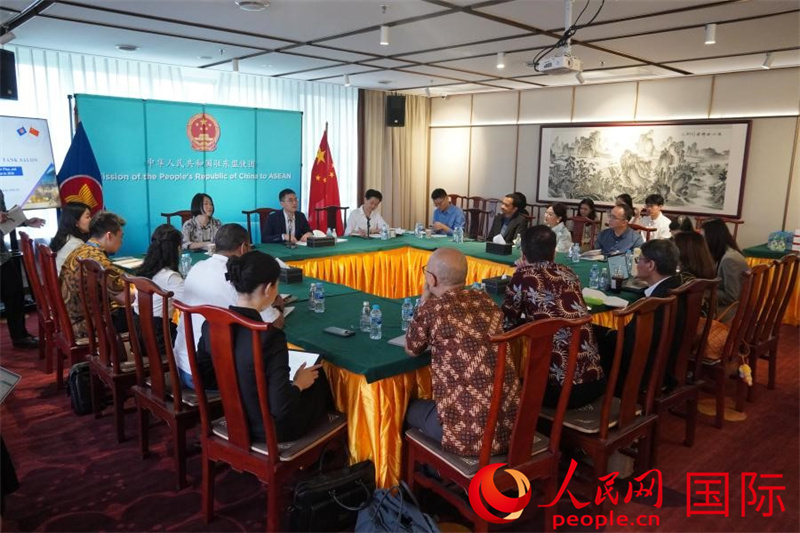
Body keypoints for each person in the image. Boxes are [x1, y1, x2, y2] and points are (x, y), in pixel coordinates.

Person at [195, 251, 332, 442]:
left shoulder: (210, 325)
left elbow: (204, 376)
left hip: (233, 418)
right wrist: (298, 384)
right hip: (269, 430)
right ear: (269, 288)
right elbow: (281, 408)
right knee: (318, 380)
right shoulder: (270, 337)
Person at [405, 248, 520, 456]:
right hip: (511, 428)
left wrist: (424, 299)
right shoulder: (486, 300)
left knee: (406, 409)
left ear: (431, 278)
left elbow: (412, 349)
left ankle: (431, 469)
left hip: (469, 436)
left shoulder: (432, 309)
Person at [502, 225, 605, 408]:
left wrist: (521, 274)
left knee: (507, 384)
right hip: (595, 382)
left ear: (523, 254)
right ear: (554, 252)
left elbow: (507, 323)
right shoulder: (569, 272)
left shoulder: (523, 276)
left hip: (559, 391)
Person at [173, 223, 283, 390]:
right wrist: (278, 307)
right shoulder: (238, 279)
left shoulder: (197, 266)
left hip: (182, 364)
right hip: (210, 376)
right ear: (244, 248)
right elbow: (273, 324)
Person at [595, 239, 683, 389]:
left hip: (642, 371)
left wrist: (606, 333)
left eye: (639, 260)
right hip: (666, 364)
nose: (637, 264)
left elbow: (632, 344)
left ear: (651, 265)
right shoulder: (676, 286)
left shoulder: (655, 303)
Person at [59, 211, 128, 337]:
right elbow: (125, 298)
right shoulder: (98, 261)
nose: (121, 242)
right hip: (86, 324)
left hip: (69, 318)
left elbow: (115, 273)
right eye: (120, 237)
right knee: (146, 314)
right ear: (109, 236)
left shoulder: (83, 249)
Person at [0, 189, 46, 349]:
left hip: (1, 255)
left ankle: (20, 337)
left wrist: (25, 221)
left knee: (15, 294)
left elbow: (5, 220)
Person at [134, 224, 184, 349]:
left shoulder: (145, 269)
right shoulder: (170, 277)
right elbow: (192, 303)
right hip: (159, 339)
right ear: (177, 249)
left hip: (138, 334)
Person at [702, 218, 749, 318]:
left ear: (712, 238)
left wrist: (704, 291)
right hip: (732, 307)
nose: (702, 242)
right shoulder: (726, 252)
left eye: (704, 238)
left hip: (730, 312)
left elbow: (731, 297)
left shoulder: (729, 259)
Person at [51, 202, 91, 273]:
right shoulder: (76, 244)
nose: (91, 220)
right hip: (63, 279)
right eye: (87, 217)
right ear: (76, 222)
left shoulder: (66, 237)